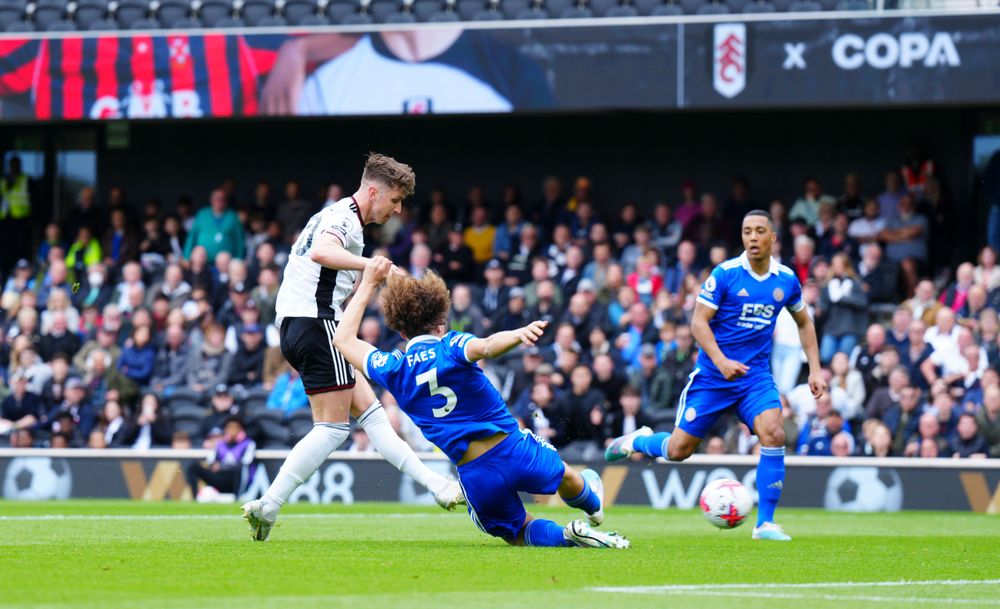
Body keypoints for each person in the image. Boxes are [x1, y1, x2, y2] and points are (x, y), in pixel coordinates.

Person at [333, 258, 628, 549]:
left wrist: (369, 283)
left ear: (400, 332)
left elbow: (343, 340)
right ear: (440, 324)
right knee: (566, 476)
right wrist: (517, 335)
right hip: (513, 449)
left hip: (474, 471)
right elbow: (486, 346)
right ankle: (593, 511)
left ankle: (567, 536)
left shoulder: (392, 367)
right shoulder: (451, 345)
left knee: (517, 531)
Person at [241, 154, 461, 542]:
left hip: (298, 326)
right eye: (394, 200)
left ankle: (437, 485)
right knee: (332, 429)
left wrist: (373, 276)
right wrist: (370, 265)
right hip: (315, 325)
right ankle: (269, 503)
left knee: (373, 415)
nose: (397, 210)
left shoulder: (336, 215)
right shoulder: (343, 220)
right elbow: (322, 253)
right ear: (373, 191)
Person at [605, 210, 826, 541]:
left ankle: (765, 523)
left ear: (773, 238)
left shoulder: (786, 280)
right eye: (747, 231)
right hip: (712, 377)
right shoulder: (725, 275)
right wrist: (721, 361)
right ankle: (638, 440)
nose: (752, 237)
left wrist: (816, 368)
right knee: (679, 450)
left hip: (754, 378)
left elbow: (804, 322)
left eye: (759, 231)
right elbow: (697, 322)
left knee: (774, 432)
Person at [186, 416, 257, 497]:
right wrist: (214, 465)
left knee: (240, 469)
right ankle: (195, 498)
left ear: (241, 429)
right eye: (229, 427)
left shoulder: (248, 444)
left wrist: (222, 467)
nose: (232, 430)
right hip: (220, 477)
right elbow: (211, 461)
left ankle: (238, 497)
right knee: (193, 466)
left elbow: (245, 463)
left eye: (236, 427)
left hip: (235, 479)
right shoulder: (220, 443)